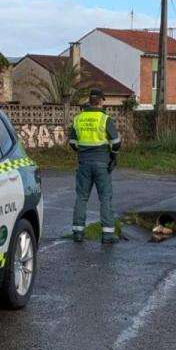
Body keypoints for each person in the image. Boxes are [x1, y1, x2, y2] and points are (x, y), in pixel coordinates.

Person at [69, 88, 121, 244]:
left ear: (90, 100)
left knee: (82, 198)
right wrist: (113, 156)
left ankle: (78, 233)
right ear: (100, 101)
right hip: (102, 163)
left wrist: (84, 152)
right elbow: (116, 143)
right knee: (105, 198)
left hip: (84, 162)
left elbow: (72, 143)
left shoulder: (78, 118)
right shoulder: (104, 119)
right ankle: (108, 235)